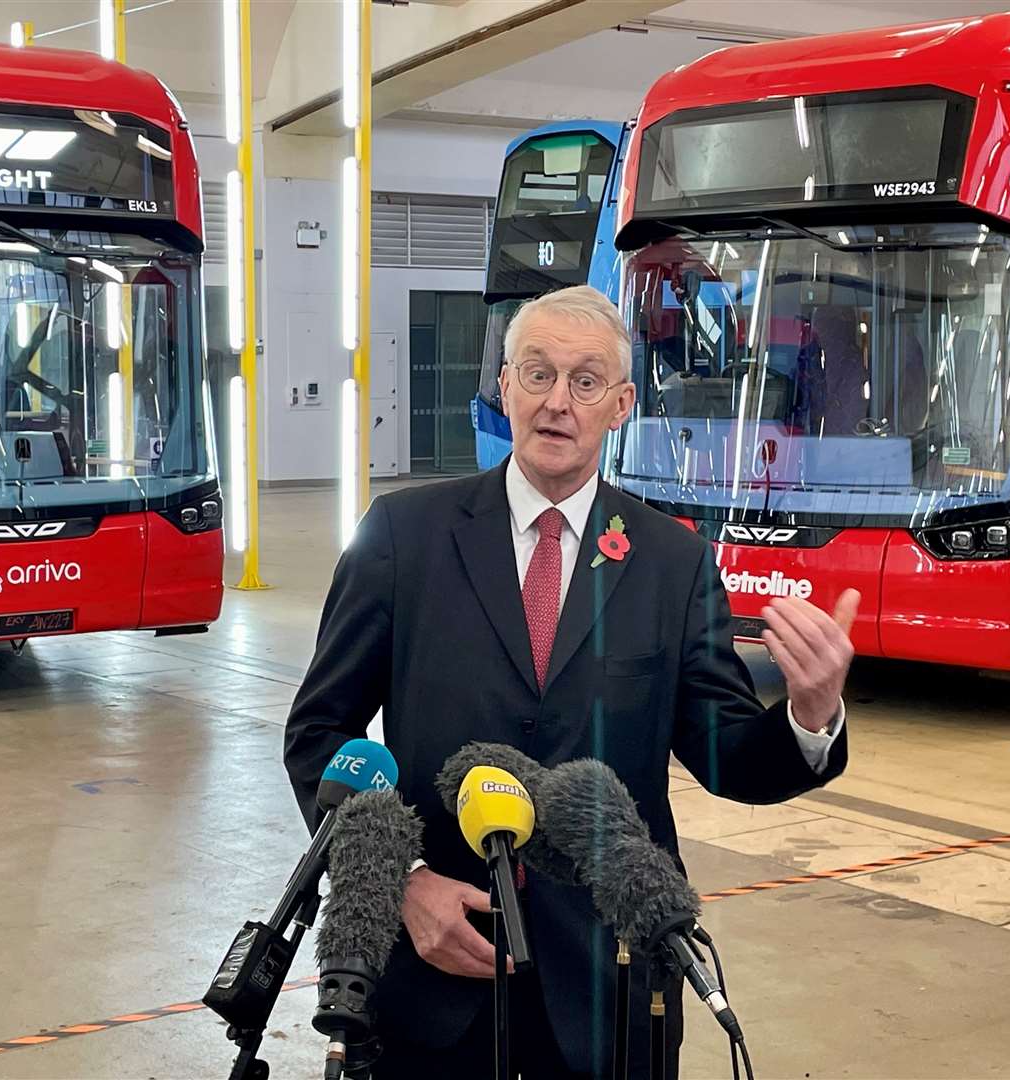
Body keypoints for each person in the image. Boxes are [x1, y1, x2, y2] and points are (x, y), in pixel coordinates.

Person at [284, 285, 859, 1079]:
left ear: (620, 404)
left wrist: (810, 710)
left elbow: (726, 755)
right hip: (436, 975)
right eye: (537, 373)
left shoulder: (672, 562)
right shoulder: (402, 537)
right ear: (503, 387)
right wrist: (404, 885)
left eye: (586, 382)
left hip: (612, 979)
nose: (559, 401)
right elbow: (320, 738)